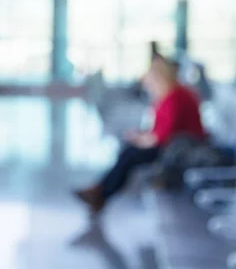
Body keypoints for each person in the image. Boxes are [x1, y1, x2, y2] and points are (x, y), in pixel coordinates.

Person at [74, 56, 205, 214]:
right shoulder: (169, 95)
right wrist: (141, 136)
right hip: (174, 144)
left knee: (130, 154)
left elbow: (164, 136)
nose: (147, 83)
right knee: (128, 151)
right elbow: (161, 129)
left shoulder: (175, 97)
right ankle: (100, 191)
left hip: (181, 148)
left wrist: (142, 139)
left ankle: (101, 193)